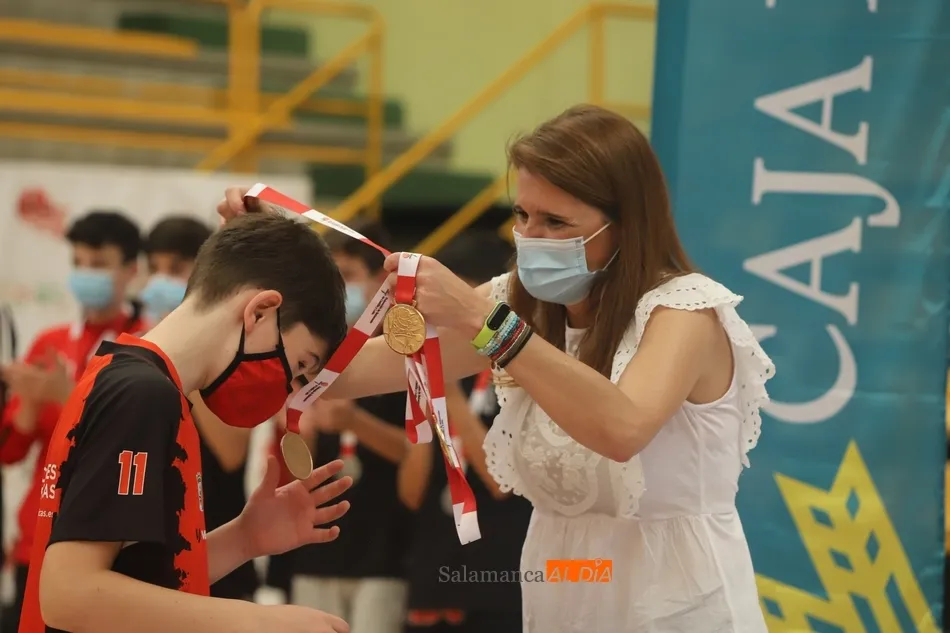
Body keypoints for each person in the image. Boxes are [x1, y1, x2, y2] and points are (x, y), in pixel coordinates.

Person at [218, 103, 776, 632]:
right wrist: (270, 262)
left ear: (626, 225)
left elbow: (622, 428)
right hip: (566, 579)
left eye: (556, 222)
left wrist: (478, 318)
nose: (531, 238)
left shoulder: (684, 311)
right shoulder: (520, 302)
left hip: (674, 595)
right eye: (523, 215)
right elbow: (349, 372)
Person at [18, 212, 355, 633]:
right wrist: (261, 621)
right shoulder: (144, 393)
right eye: (300, 364)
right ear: (261, 312)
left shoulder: (133, 376)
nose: (288, 386)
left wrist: (244, 538)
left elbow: (132, 581)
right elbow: (69, 595)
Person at [0, 210, 146, 632]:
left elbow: (132, 441)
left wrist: (67, 397)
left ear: (131, 270)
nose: (85, 273)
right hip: (38, 536)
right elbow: (9, 453)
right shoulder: (51, 342)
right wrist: (29, 405)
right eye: (78, 262)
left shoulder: (146, 343)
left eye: (98, 264)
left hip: (107, 543)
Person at [400, 232, 531, 633]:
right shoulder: (429, 367)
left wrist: (450, 396)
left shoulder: (517, 371)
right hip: (434, 571)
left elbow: (501, 482)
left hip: (496, 577)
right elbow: (410, 492)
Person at [289, 221, 411, 633]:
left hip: (383, 550)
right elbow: (295, 466)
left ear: (382, 280)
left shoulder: (406, 349)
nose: (337, 290)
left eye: (347, 276)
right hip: (316, 546)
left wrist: (354, 422)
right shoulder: (311, 352)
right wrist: (300, 433)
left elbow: (418, 455)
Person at [142, 215, 261, 601]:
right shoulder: (138, 350)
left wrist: (185, 358)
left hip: (220, 556)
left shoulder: (235, 349)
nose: (162, 280)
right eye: (154, 268)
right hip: (154, 558)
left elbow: (231, 452)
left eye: (175, 269)